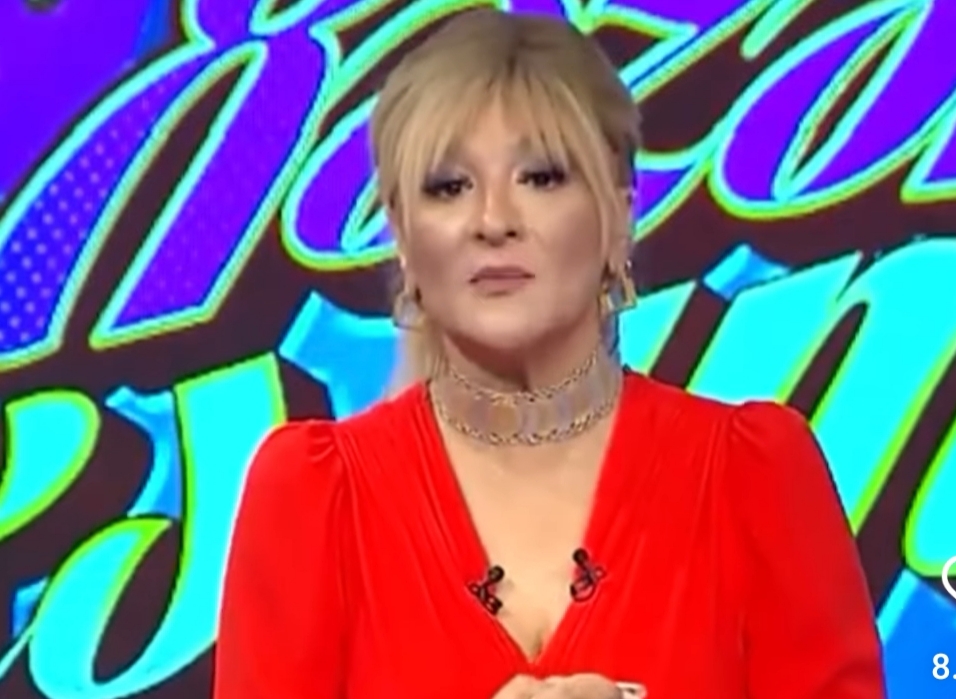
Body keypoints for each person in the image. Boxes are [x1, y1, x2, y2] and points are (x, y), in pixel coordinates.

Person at [213, 8, 886, 699]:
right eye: (448, 187)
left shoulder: (753, 479)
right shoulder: (314, 500)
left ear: (618, 218)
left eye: (541, 177)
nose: (493, 221)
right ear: (404, 238)